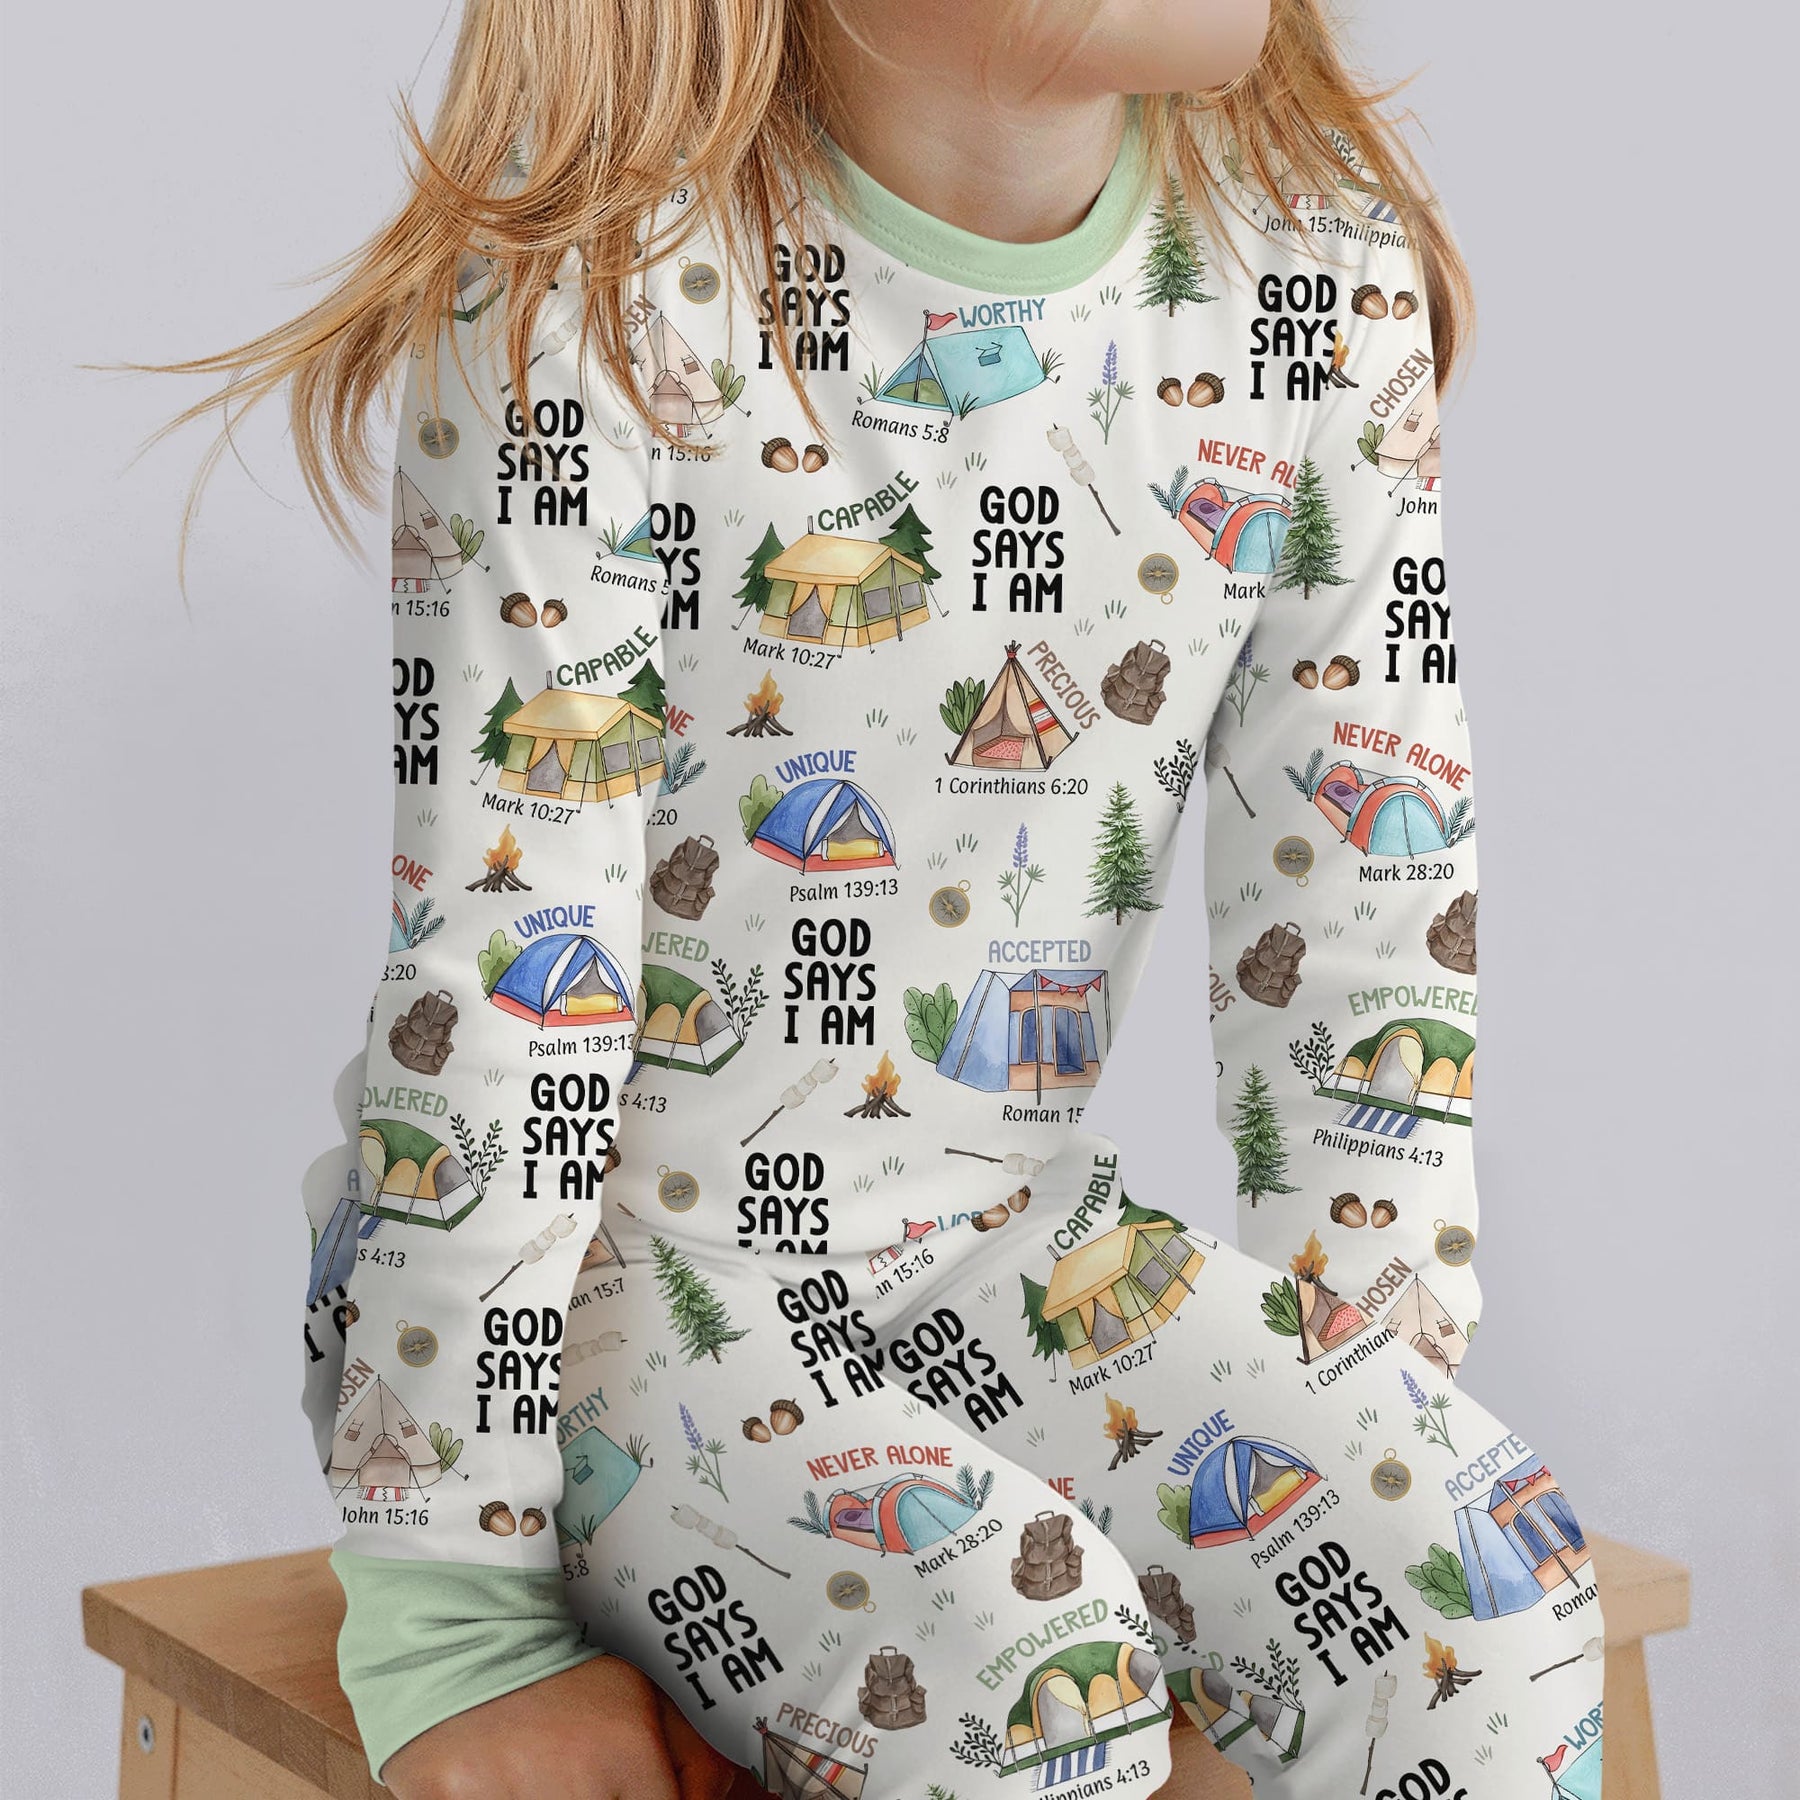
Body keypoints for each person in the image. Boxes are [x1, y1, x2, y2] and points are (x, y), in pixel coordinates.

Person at [145, 3, 1606, 1795]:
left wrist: (1372, 1441)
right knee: (1023, 1667)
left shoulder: (1310, 265)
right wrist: (457, 1616)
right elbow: (514, 956)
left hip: (999, 1238)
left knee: (1499, 1596)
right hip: (613, 1296)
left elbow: (1375, 925)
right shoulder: (597, 293)